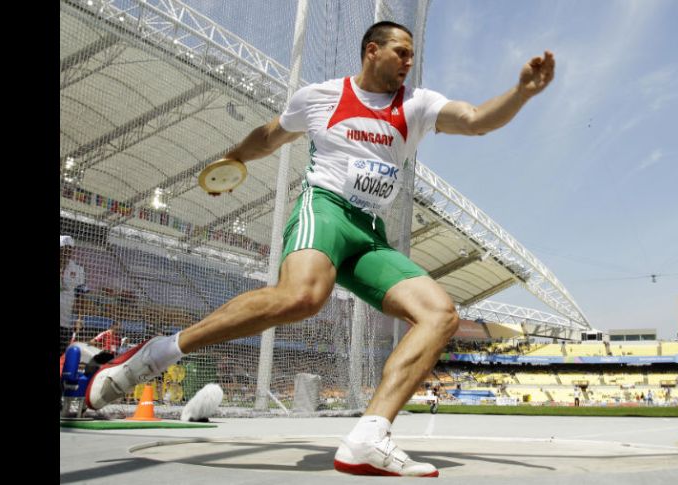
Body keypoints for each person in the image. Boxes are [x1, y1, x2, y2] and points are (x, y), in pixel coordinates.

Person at [85, 21, 555, 477]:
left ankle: (369, 437)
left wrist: (522, 93)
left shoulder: (417, 104)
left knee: (440, 314)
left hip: (369, 233)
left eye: (413, 55)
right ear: (373, 50)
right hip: (325, 209)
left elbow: (475, 121)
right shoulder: (320, 97)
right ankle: (160, 352)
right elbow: (271, 136)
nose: (409, 62)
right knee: (303, 298)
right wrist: (232, 160)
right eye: (401, 52)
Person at [60, 235, 87, 356]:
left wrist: (80, 318)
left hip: (65, 323)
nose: (67, 252)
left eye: (70, 249)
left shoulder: (78, 270)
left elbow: (81, 295)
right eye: (64, 248)